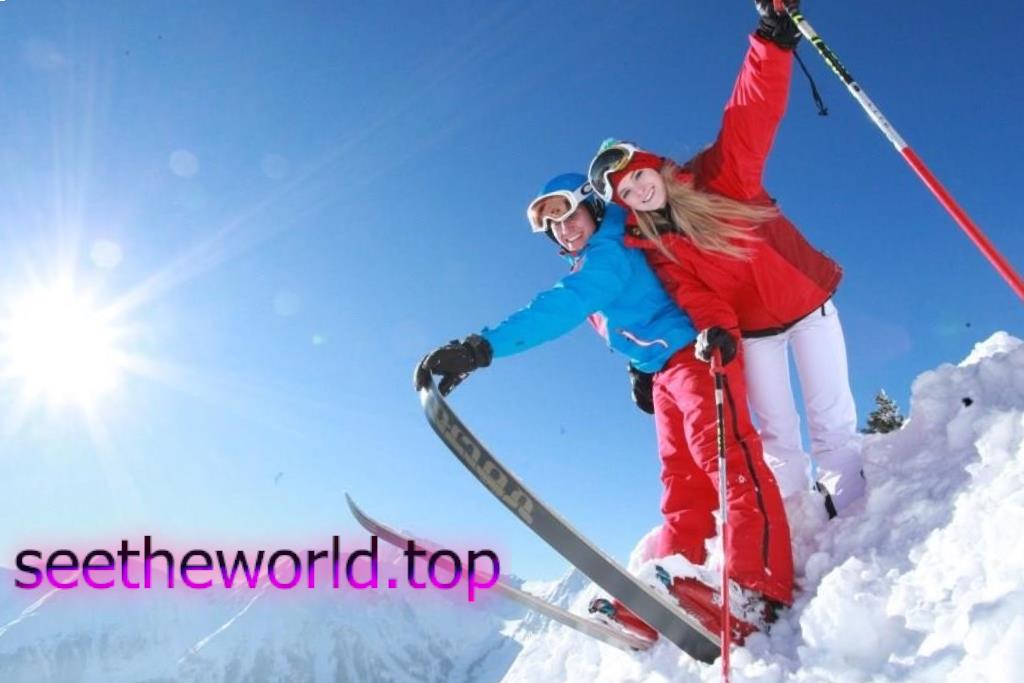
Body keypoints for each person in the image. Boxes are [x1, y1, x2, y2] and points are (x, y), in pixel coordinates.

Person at [417, 172, 793, 641]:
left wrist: (482, 347)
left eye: (568, 214)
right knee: (680, 484)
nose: (564, 229)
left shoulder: (608, 251)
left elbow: (561, 307)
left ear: (593, 206)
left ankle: (759, 591)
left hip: (697, 354)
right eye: (553, 225)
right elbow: (637, 310)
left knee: (726, 458)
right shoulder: (595, 258)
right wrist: (639, 368)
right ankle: (673, 592)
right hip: (664, 371)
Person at [588, 0, 865, 517]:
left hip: (809, 306)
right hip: (753, 334)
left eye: (638, 175)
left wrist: (771, 41)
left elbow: (749, 115)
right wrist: (663, 353)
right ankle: (797, 524)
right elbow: (679, 299)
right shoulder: (657, 248)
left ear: (654, 166)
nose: (639, 190)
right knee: (777, 435)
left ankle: (854, 512)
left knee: (831, 419)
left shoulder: (721, 176)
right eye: (626, 192)